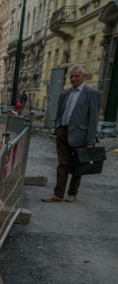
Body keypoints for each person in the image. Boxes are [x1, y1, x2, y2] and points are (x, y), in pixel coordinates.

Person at [42, 64, 100, 203]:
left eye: (77, 76)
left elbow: (93, 118)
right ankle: (58, 194)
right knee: (62, 165)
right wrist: (57, 128)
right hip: (63, 133)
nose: (73, 79)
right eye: (71, 76)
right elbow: (58, 114)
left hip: (81, 135)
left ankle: (72, 193)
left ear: (84, 77)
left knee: (77, 166)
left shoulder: (92, 93)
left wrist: (91, 138)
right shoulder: (64, 94)